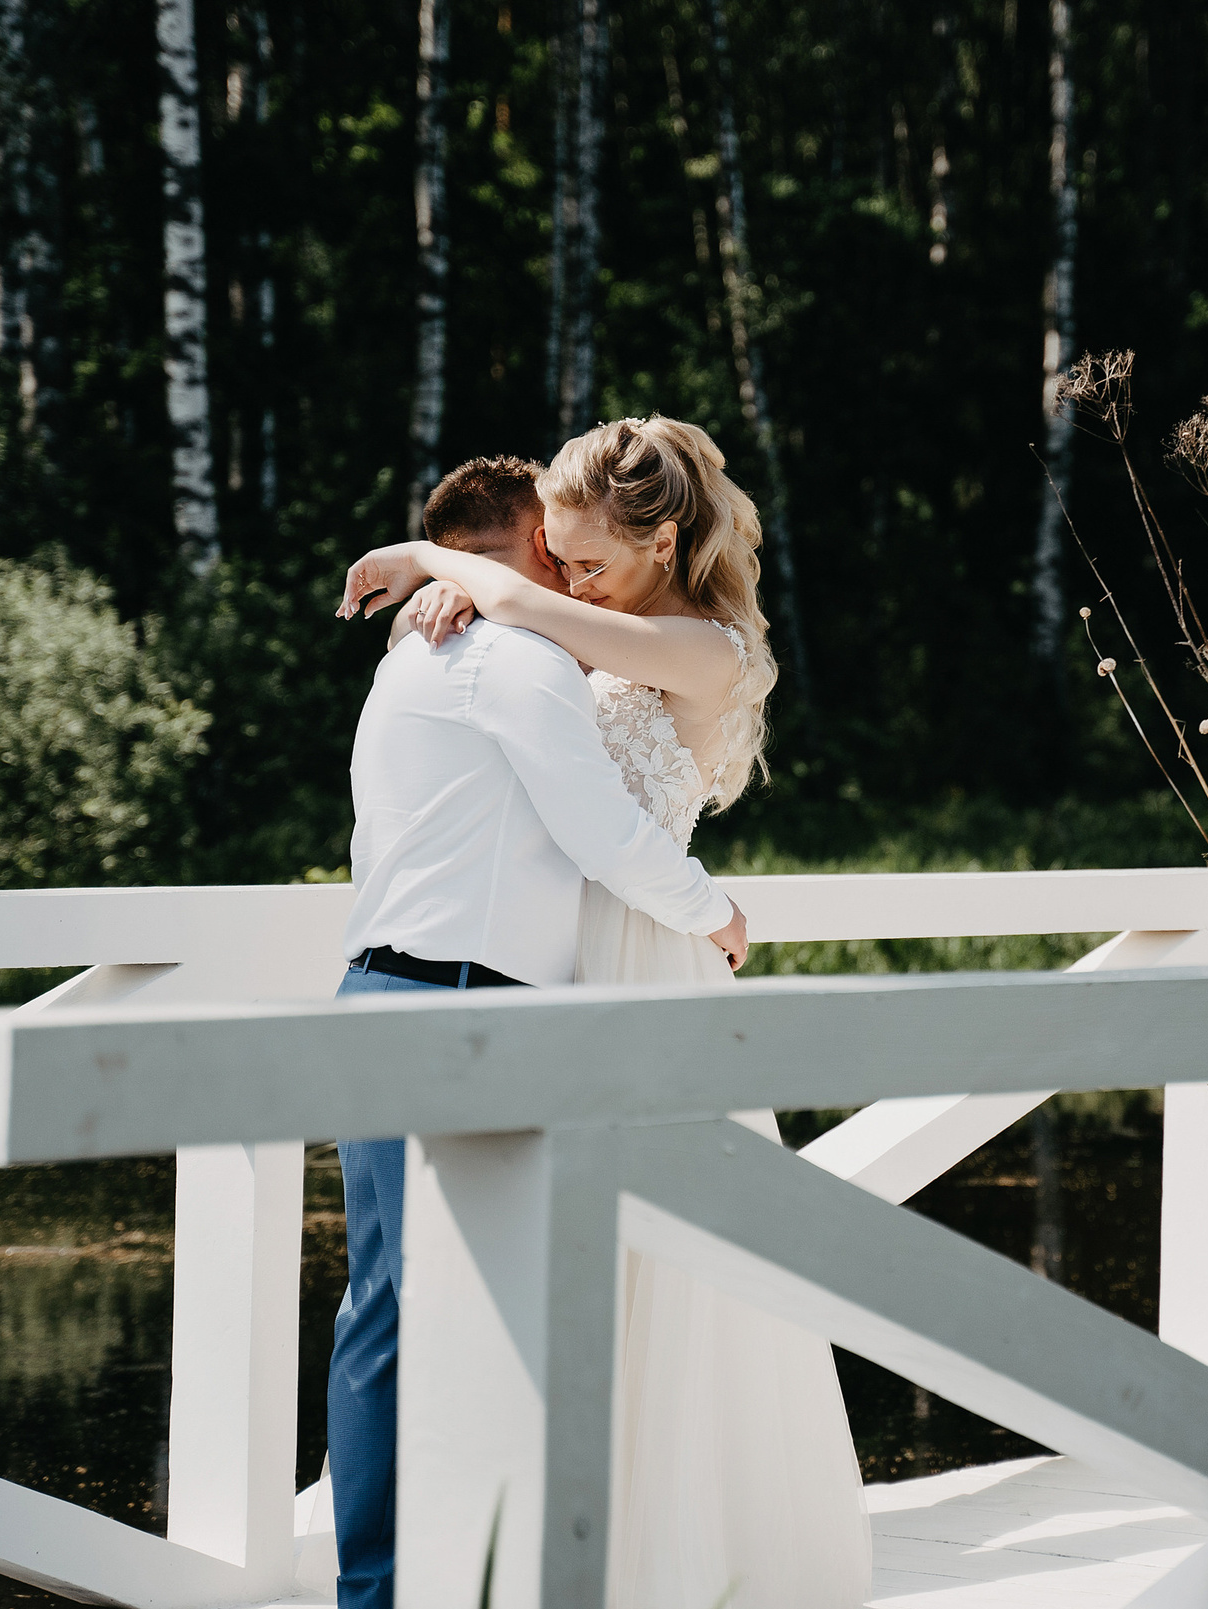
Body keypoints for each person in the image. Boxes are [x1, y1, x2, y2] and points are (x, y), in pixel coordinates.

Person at [340, 418, 872, 1609]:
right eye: (559, 558)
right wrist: (465, 590)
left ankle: (647, 1554)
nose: (568, 577)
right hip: (554, 962)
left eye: (586, 558)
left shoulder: (705, 646)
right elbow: (524, 660)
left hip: (639, 958)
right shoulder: (578, 625)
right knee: (520, 1277)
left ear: (663, 537)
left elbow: (533, 620)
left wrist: (430, 563)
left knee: (654, 1272)